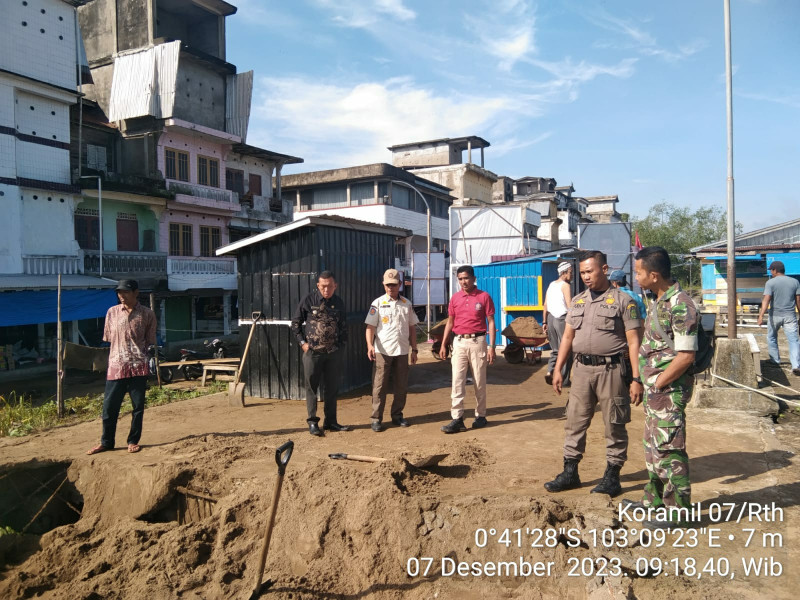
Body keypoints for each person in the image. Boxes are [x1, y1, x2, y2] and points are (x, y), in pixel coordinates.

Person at [545, 251, 643, 497]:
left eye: (590, 271)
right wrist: (558, 369)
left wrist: (637, 378)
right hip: (581, 371)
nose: (586, 277)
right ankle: (570, 472)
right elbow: (568, 337)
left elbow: (634, 342)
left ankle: (612, 477)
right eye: (582, 273)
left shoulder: (624, 301)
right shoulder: (577, 301)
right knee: (574, 422)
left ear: (605, 269)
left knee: (614, 423)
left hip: (611, 371)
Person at [631, 246, 698, 528]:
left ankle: (678, 511)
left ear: (654, 275)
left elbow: (686, 356)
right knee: (653, 447)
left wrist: (658, 382)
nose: (636, 278)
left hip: (669, 391)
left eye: (639, 273)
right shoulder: (659, 300)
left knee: (670, 449)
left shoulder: (681, 304)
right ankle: (655, 501)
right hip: (657, 391)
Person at [87, 279, 156, 455]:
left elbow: (150, 341)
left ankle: (133, 441)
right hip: (116, 366)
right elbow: (109, 338)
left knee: (137, 407)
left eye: (125, 292)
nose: (122, 296)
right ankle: (106, 442)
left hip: (139, 367)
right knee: (109, 407)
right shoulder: (112, 313)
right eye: (119, 292)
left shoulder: (147, 314)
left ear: (136, 293)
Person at [291, 271, 351, 436]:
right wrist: (303, 343)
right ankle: (312, 422)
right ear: (318, 286)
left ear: (335, 286)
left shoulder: (339, 302)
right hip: (313, 354)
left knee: (332, 388)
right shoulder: (309, 300)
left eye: (330, 286)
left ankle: (331, 422)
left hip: (333, 354)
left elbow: (344, 326)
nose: (326, 290)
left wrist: (341, 346)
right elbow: (295, 323)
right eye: (323, 286)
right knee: (311, 388)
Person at [439, 265, 496, 433]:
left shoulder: (484, 297)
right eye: (460, 279)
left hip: (478, 342)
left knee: (479, 380)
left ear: (473, 278)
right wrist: (443, 344)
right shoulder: (455, 298)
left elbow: (491, 322)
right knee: (457, 380)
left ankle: (481, 416)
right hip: (459, 342)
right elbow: (450, 322)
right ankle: (457, 418)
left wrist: (492, 347)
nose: (463, 282)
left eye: (466, 278)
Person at [365, 269, 419, 432]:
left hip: (402, 350)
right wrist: (369, 345)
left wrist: (415, 349)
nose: (391, 288)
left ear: (400, 285)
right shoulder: (378, 303)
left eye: (394, 285)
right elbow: (370, 327)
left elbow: (412, 328)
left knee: (401, 385)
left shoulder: (406, 304)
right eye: (388, 285)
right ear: (383, 285)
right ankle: (376, 418)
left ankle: (397, 416)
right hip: (383, 350)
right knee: (379, 386)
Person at [757, 260, 800, 375]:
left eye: (771, 270)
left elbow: (766, 300)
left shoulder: (771, 283)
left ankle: (775, 360)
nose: (771, 272)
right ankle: (795, 364)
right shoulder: (795, 282)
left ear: (775, 270)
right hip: (790, 316)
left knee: (771, 337)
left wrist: (761, 316)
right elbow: (798, 301)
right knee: (793, 340)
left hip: (775, 315)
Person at [543, 261, 573, 386]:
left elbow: (545, 304)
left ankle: (550, 372)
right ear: (564, 273)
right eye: (571, 272)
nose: (571, 275)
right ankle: (564, 380)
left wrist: (544, 321)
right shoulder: (565, 286)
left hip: (550, 319)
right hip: (562, 319)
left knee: (555, 350)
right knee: (567, 350)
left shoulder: (551, 285)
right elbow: (570, 305)